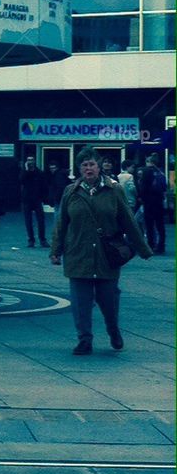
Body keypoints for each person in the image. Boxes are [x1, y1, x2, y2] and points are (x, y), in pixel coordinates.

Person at [50, 147, 152, 355]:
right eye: (84, 165)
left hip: (107, 255)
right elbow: (62, 223)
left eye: (92, 164)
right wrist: (56, 250)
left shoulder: (114, 190)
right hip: (78, 253)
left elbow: (128, 220)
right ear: (79, 169)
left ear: (99, 167)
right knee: (80, 302)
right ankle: (84, 339)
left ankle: (113, 330)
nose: (88, 169)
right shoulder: (71, 192)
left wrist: (142, 248)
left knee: (108, 300)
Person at [140, 153, 167, 255]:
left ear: (149, 162)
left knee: (149, 225)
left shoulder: (146, 171)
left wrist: (141, 197)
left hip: (148, 202)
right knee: (160, 225)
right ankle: (161, 245)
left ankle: (151, 244)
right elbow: (164, 187)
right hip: (158, 201)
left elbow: (143, 187)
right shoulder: (161, 173)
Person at [20, 157, 48, 248]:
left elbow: (44, 185)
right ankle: (31, 240)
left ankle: (42, 239)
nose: (30, 162)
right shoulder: (24, 172)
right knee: (28, 221)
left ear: (35, 161)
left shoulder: (39, 173)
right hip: (27, 199)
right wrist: (27, 170)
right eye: (28, 160)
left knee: (41, 220)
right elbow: (21, 180)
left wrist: (44, 198)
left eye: (31, 160)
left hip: (37, 199)